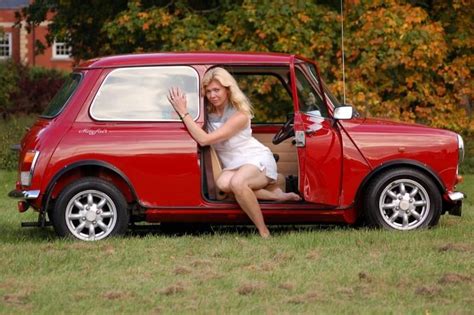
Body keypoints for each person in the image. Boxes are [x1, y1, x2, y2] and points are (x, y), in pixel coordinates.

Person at [168, 67, 300, 238]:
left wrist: (183, 112)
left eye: (217, 90)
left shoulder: (240, 115)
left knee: (238, 183)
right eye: (208, 91)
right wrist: (178, 109)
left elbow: (205, 140)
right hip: (232, 163)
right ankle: (278, 197)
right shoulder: (206, 112)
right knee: (223, 184)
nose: (212, 95)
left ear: (228, 89)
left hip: (254, 157)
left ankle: (263, 231)